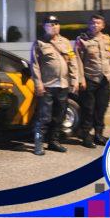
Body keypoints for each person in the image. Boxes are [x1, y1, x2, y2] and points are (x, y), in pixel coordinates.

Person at [30, 15, 79, 156]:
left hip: (63, 85)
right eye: (50, 24)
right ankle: (39, 143)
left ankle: (53, 141)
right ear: (44, 26)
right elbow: (35, 65)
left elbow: (72, 62)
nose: (53, 26)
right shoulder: (39, 43)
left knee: (59, 115)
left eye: (56, 24)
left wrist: (75, 80)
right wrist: (38, 84)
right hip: (47, 86)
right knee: (44, 116)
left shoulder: (66, 42)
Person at [75, 14, 110, 148]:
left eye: (98, 23)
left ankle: (99, 134)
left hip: (105, 79)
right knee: (88, 109)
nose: (95, 25)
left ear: (103, 25)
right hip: (89, 79)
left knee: (101, 108)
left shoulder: (107, 39)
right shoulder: (82, 40)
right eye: (93, 23)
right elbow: (77, 61)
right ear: (89, 24)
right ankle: (86, 136)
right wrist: (81, 79)